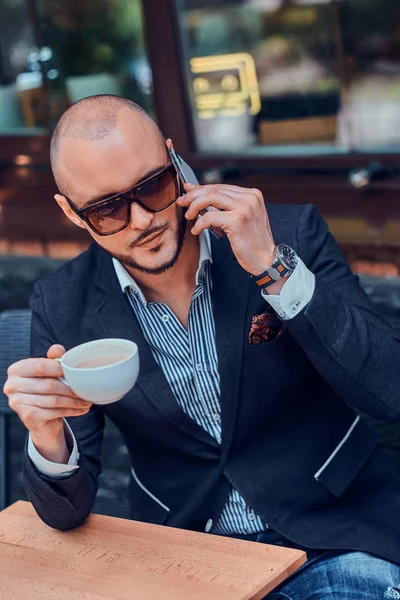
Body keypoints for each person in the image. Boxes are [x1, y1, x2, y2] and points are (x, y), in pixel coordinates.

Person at [4, 95, 400, 599]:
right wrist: (47, 437)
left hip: (333, 539)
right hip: (186, 560)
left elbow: (390, 391)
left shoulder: (286, 234)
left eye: (153, 185)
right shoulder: (64, 302)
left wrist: (273, 267)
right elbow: (66, 512)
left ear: (175, 160)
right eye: (106, 210)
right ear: (72, 213)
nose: (143, 219)